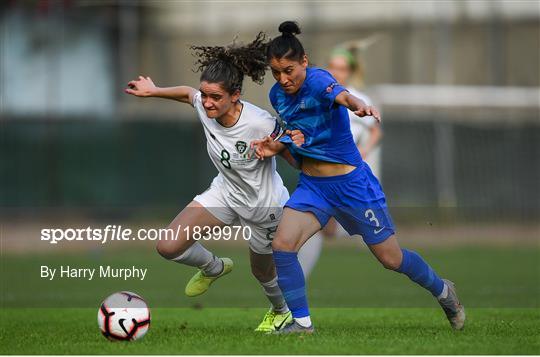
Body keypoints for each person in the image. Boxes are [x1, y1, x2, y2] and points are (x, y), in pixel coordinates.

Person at [252, 21, 465, 334]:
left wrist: (360, 105)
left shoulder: (320, 80)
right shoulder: (278, 96)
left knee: (391, 259)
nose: (283, 79)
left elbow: (342, 96)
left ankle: (444, 291)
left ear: (304, 62)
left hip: (353, 186)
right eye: (276, 72)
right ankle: (302, 323)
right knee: (282, 245)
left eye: (289, 70)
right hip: (314, 187)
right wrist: (277, 146)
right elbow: (298, 137)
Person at [125, 33, 309, 332]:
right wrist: (153, 90)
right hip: (225, 192)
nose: (207, 103)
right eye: (205, 95)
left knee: (261, 272)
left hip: (264, 205)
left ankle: (281, 311)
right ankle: (213, 266)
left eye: (215, 97)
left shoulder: (260, 122)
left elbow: (292, 155)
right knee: (168, 245)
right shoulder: (203, 102)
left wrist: (304, 158)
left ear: (235, 95)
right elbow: (188, 94)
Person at [298, 43, 384, 277]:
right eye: (332, 67)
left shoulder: (358, 99)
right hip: (321, 176)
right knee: (310, 226)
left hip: (347, 175)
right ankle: (295, 285)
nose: (336, 72)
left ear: (351, 72)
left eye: (342, 68)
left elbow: (376, 130)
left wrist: (364, 150)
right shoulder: (318, 96)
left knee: (385, 249)